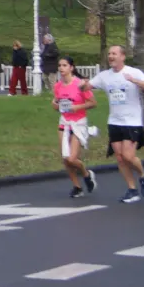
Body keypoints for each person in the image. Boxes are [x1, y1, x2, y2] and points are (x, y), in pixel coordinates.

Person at [89, 45, 144, 203]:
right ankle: (132, 190)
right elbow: (88, 86)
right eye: (109, 54)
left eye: (114, 53)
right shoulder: (104, 76)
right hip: (114, 121)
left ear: (122, 56)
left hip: (132, 121)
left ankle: (143, 176)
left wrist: (134, 81)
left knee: (128, 156)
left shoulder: (133, 72)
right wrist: (81, 84)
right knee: (120, 158)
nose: (111, 56)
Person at [52, 56, 98, 198]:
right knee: (65, 158)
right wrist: (55, 105)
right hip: (64, 122)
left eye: (65, 65)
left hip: (78, 122)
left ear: (71, 68)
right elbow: (56, 102)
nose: (61, 68)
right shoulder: (58, 85)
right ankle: (77, 186)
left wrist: (76, 107)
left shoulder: (80, 84)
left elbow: (93, 103)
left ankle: (87, 174)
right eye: (60, 65)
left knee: (72, 158)